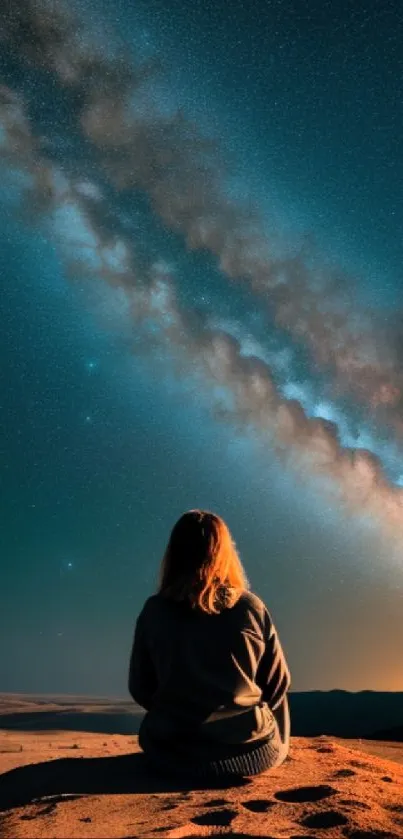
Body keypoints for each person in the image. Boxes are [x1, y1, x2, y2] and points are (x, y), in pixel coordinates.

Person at [128, 509, 291, 779]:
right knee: (278, 697)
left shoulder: (154, 610)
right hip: (248, 752)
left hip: (172, 752)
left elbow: (140, 687)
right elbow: (277, 684)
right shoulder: (249, 606)